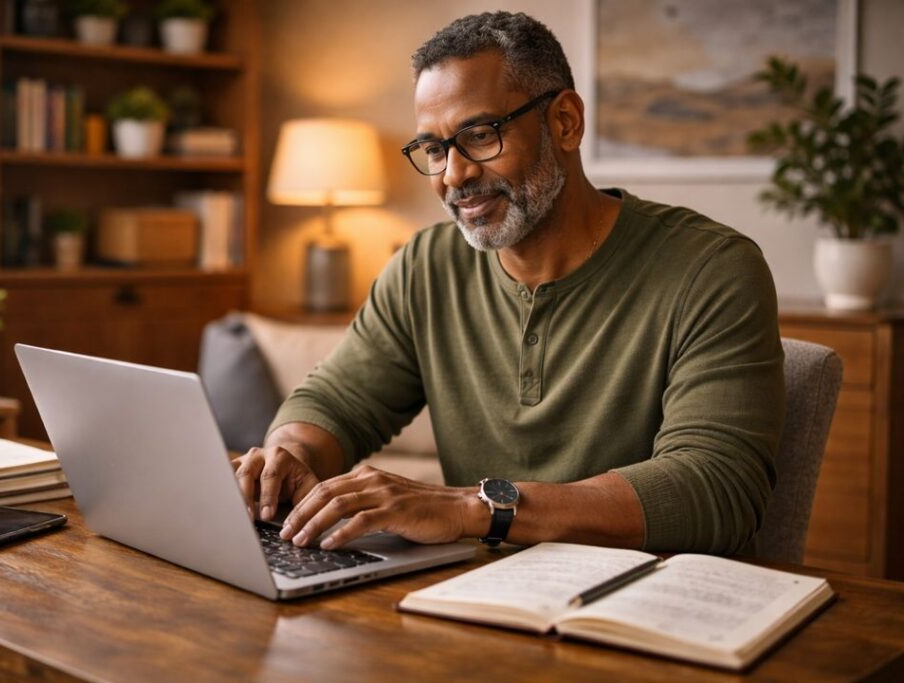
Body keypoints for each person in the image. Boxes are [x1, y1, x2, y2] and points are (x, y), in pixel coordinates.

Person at [234, 11, 784, 555]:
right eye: (433, 148)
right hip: (467, 599)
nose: (453, 174)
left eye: (478, 135)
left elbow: (717, 488)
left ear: (565, 122)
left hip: (639, 609)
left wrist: (466, 509)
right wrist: (286, 461)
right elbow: (336, 403)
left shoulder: (711, 269)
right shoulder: (426, 267)